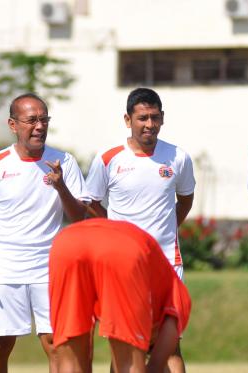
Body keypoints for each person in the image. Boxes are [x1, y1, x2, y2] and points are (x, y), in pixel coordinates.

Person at [0, 93, 88, 373]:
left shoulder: (64, 162)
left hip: (50, 268)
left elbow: (79, 216)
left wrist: (61, 187)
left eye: (44, 119)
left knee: (55, 343)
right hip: (5, 267)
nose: (39, 126)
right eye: (31, 120)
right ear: (13, 124)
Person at [85, 87, 195, 372]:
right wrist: (116, 231)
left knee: (170, 344)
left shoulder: (178, 157)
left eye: (155, 117)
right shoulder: (109, 159)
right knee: (123, 342)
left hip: (167, 261)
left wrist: (169, 226)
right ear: (127, 120)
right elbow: (91, 201)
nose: (149, 124)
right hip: (123, 265)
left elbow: (185, 198)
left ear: (162, 118)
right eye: (143, 118)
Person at [49, 218, 191, 373]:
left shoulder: (160, 284)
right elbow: (156, 365)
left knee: (71, 361)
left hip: (67, 242)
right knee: (129, 363)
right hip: (122, 249)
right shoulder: (177, 296)